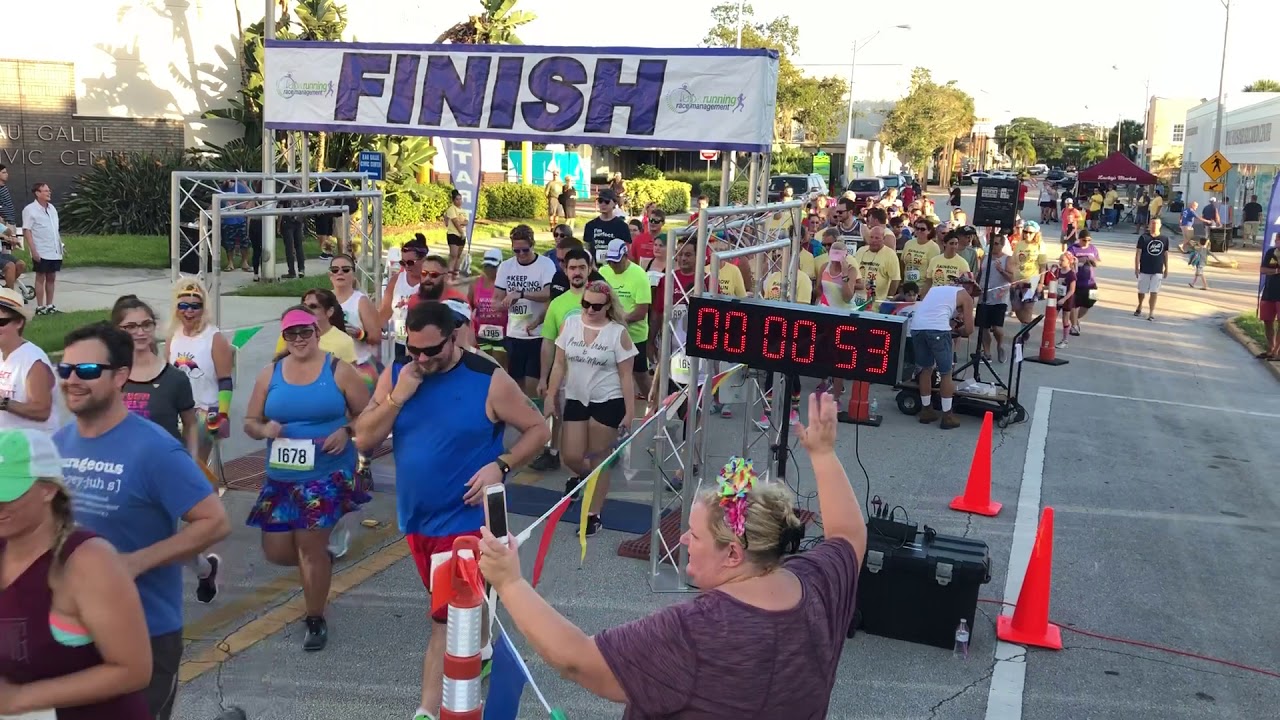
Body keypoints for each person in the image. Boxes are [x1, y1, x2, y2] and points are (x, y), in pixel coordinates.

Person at [477, 392, 867, 718]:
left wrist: (510, 583)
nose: (681, 541)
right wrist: (823, 454)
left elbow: (577, 659)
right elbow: (849, 534)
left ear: (733, 554)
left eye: (694, 535)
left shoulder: (697, 630)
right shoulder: (817, 583)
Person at [353, 300, 549, 720]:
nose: (422, 359)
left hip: (466, 523)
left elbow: (539, 429)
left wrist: (501, 465)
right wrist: (397, 397)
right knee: (463, 611)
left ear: (454, 337)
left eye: (431, 350)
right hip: (417, 521)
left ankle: (427, 710)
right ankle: (482, 648)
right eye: (414, 350)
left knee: (445, 621)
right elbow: (364, 438)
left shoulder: (488, 379)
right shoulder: (399, 374)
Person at [53, 322, 231, 720]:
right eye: (65, 370)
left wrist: (135, 562)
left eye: (86, 371)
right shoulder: (58, 445)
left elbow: (214, 521)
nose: (72, 380)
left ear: (120, 376)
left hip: (141, 632)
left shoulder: (154, 449)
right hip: (71, 630)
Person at [0, 429, 153, 719]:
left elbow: (134, 669)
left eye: (7, 492)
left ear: (48, 489)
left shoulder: (88, 561)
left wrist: (20, 698)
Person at [243, 306, 370, 651]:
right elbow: (250, 422)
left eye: (305, 331)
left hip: (326, 473)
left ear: (317, 332)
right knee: (277, 551)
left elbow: (367, 413)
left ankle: (315, 617)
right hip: (281, 477)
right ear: (284, 337)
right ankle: (322, 559)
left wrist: (346, 431)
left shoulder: (338, 370)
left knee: (309, 547)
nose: (299, 339)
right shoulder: (270, 373)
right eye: (292, 333)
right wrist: (264, 429)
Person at [544, 280, 636, 535]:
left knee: (598, 457)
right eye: (585, 304)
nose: (589, 310)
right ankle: (591, 479)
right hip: (576, 396)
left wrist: (630, 413)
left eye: (596, 306)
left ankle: (593, 515)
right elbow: (559, 364)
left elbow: (626, 376)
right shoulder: (571, 324)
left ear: (608, 307)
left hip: (608, 399)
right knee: (571, 456)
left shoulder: (617, 333)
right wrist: (551, 395)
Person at [114, 296, 199, 457]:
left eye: (146, 324)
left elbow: (190, 425)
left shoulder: (175, 378)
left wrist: (191, 463)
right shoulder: (108, 376)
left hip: (166, 464)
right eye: (131, 327)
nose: (140, 332)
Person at [167, 278, 234, 468]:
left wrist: (223, 414)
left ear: (203, 309)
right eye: (183, 306)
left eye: (195, 306)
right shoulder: (173, 336)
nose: (189, 311)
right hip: (176, 412)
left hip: (204, 413)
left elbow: (225, 380)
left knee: (195, 466)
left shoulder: (214, 337)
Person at [493, 225, 556, 398]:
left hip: (538, 333)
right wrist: (507, 302)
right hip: (515, 334)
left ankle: (536, 412)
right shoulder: (506, 267)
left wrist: (521, 294)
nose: (521, 254)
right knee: (517, 385)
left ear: (533, 245)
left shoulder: (545, 264)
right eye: (516, 251)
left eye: (525, 250)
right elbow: (495, 303)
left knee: (533, 384)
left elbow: (549, 294)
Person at [912, 273, 979, 430]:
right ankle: (947, 415)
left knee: (925, 369)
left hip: (917, 327)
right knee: (946, 373)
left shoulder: (936, 290)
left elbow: (934, 311)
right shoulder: (966, 297)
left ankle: (926, 410)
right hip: (938, 331)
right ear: (969, 287)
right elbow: (969, 329)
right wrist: (959, 330)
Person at [599, 238, 652, 403]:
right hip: (609, 334)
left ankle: (655, 406)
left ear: (625, 256)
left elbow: (641, 312)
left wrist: (619, 320)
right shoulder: (603, 272)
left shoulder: (639, 275)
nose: (613, 265)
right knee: (612, 374)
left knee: (640, 375)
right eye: (610, 261)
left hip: (634, 335)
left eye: (616, 261)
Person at [0, 287, 57, 432]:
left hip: (32, 442)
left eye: (1, 322)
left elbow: (42, 411)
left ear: (19, 322)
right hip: (7, 440)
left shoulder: (33, 360)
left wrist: (4, 403)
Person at [273, 289, 359, 365]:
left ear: (330, 311)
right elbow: (277, 368)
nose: (306, 310)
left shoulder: (344, 341)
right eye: (304, 306)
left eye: (313, 307)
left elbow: (351, 375)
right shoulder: (289, 335)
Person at [380, 238, 426, 361]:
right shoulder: (396, 280)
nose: (406, 267)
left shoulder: (429, 282)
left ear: (423, 260)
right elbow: (385, 311)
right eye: (403, 262)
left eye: (410, 262)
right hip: (400, 341)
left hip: (422, 344)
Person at [22, 182, 64, 315]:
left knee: (52, 277)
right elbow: (27, 230)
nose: (48, 193)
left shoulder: (52, 208)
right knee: (41, 277)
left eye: (48, 190)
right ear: (37, 193)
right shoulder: (30, 210)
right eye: (45, 191)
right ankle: (40, 307)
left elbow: (55, 229)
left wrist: (61, 244)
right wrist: (33, 250)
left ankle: (50, 305)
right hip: (41, 249)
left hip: (54, 250)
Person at [471, 248, 510, 370]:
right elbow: (470, 305)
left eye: (492, 267)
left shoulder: (507, 283)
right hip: (481, 333)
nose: (489, 270)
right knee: (484, 367)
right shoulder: (475, 284)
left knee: (499, 367)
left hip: (503, 334)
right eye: (486, 266)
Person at [977, 234, 1013, 363]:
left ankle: (1000, 344)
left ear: (1002, 245)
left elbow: (1012, 278)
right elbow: (980, 275)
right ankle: (987, 352)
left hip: (999, 298)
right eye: (991, 243)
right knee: (983, 327)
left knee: (997, 327)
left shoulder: (1007, 259)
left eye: (996, 243)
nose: (993, 246)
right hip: (984, 296)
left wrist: (1001, 270)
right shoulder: (985, 258)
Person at [583, 189, 632, 266]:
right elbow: (587, 249)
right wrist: (591, 266)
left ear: (614, 203)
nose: (603, 204)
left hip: (615, 268)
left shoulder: (622, 226)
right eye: (600, 201)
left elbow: (627, 250)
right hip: (595, 267)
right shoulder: (590, 225)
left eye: (607, 201)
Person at [1066, 230, 1101, 335]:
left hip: (1090, 281)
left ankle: (1075, 319)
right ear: (1079, 239)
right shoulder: (1072, 248)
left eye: (1089, 240)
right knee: (1074, 304)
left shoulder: (1093, 248)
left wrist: (1094, 262)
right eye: (1084, 240)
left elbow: (1098, 261)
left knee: (1092, 300)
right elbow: (1067, 262)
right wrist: (1081, 261)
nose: (1086, 242)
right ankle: (1074, 325)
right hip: (1076, 281)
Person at [1135, 218, 1169, 322]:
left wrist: (1166, 268)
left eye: (1156, 223)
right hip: (1145, 268)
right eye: (1153, 223)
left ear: (1160, 225)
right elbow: (1138, 253)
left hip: (1157, 269)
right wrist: (1136, 267)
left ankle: (1151, 313)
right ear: (1149, 225)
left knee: (1154, 291)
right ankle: (1140, 304)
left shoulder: (1164, 239)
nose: (1154, 225)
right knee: (1142, 290)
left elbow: (1165, 254)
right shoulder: (1143, 238)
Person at [1258, 235, 1280, 360]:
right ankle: (1270, 349)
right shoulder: (1271, 252)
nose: (1278, 242)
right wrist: (1275, 271)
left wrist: (1271, 271)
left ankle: (1278, 352)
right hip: (1269, 292)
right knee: (1267, 320)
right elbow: (1263, 269)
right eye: (1277, 240)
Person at [1053, 252, 1078, 349]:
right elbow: (1053, 282)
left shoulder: (1071, 274)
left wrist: (1064, 299)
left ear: (1069, 262)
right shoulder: (1058, 271)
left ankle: (1065, 340)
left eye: (1062, 260)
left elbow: (1072, 290)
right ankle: (1050, 337)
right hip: (1058, 297)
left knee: (1065, 319)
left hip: (1066, 299)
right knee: (1052, 317)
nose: (1060, 262)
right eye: (1059, 260)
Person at [444, 189, 468, 275]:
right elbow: (455, 222)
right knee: (453, 254)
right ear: (453, 200)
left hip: (462, 235)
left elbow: (466, 221)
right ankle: (449, 272)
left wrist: (460, 222)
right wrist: (461, 232)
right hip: (453, 234)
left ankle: (456, 271)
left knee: (458, 255)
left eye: (460, 199)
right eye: (457, 199)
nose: (459, 201)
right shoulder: (452, 209)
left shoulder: (464, 211)